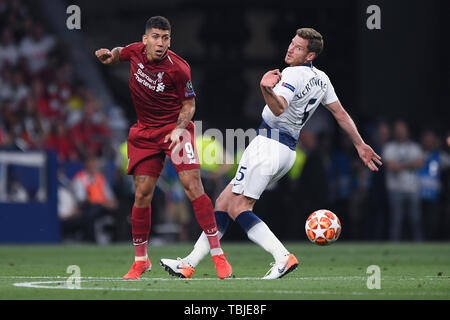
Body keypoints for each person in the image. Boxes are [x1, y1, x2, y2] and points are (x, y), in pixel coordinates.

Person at [160, 28, 382, 279]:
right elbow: (340, 113)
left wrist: (265, 88)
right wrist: (360, 144)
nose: (290, 48)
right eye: (291, 43)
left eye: (298, 48)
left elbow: (278, 108)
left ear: (309, 55)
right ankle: (189, 263)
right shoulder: (322, 79)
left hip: (268, 144)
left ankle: (282, 257)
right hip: (285, 149)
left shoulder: (293, 74)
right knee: (223, 202)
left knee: (239, 207)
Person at [95, 16, 231, 279]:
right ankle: (140, 260)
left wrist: (179, 128)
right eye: (156, 37)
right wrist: (107, 56)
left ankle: (218, 254)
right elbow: (117, 54)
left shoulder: (179, 68)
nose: (160, 43)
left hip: (175, 130)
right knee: (142, 195)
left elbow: (189, 105)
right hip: (145, 133)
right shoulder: (135, 51)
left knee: (193, 186)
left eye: (165, 38)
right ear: (145, 39)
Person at [383, 120, 424, 241]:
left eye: (402, 129)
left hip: (412, 188)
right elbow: (390, 166)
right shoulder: (389, 147)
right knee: (396, 220)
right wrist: (410, 164)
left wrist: (400, 165)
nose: (400, 132)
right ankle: (394, 247)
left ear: (407, 131)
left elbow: (420, 163)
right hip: (395, 189)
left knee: (415, 220)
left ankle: (419, 246)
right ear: (394, 132)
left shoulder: (415, 147)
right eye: (398, 130)